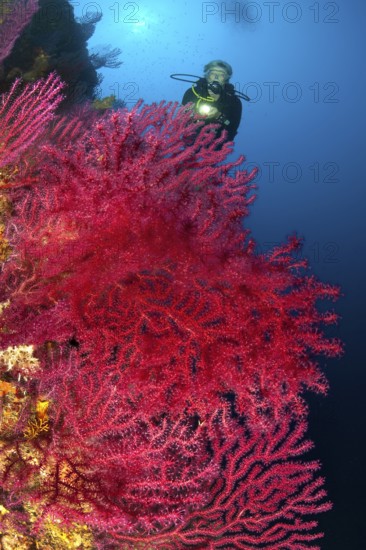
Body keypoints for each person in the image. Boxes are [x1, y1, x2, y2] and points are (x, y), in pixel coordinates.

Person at [182, 60, 242, 144]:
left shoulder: (234, 102)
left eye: (222, 74)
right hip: (190, 142)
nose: (216, 77)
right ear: (206, 75)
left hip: (214, 148)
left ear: (226, 78)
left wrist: (218, 116)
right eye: (213, 73)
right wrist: (191, 115)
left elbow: (231, 128)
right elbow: (181, 122)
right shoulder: (192, 93)